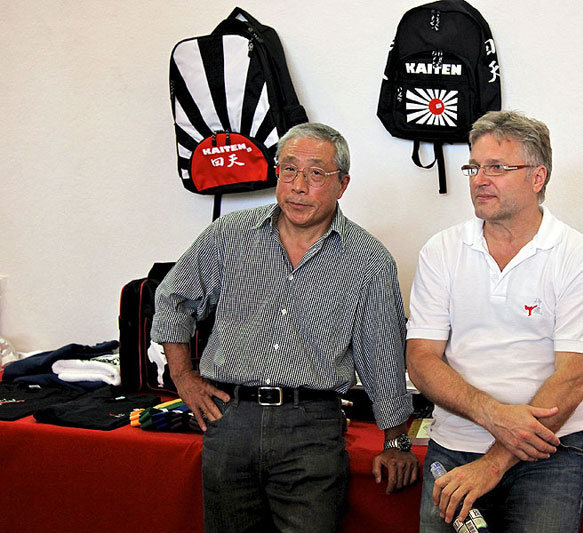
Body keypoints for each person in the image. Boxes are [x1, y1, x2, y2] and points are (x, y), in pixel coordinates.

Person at [151, 122, 418, 532]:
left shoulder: (368, 260)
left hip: (312, 428)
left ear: (343, 184)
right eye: (289, 169)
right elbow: (173, 299)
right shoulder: (229, 235)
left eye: (316, 173)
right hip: (230, 420)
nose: (298, 186)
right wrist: (183, 377)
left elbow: (382, 357)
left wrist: (396, 442)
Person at [406, 111, 583, 532]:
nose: (479, 180)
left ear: (537, 178)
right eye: (474, 167)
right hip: (455, 444)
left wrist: (494, 463)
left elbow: (573, 377)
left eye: (497, 167)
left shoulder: (580, 258)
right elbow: (421, 360)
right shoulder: (441, 251)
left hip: (549, 452)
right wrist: (492, 415)